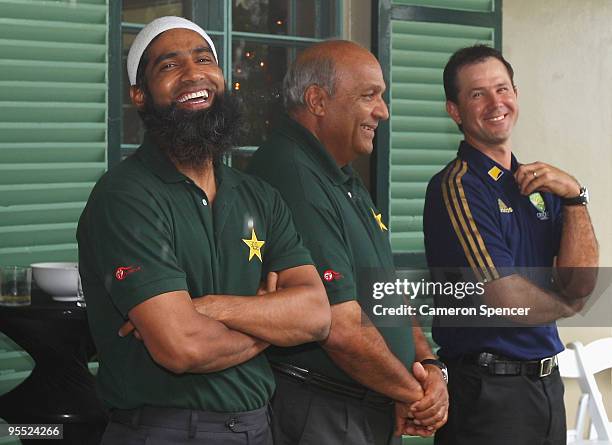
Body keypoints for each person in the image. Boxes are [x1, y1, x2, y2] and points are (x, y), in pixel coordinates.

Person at [77, 16, 331, 445]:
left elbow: (316, 316)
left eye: (204, 59)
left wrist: (211, 307)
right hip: (165, 432)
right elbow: (182, 348)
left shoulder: (259, 196)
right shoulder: (125, 196)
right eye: (169, 66)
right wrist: (268, 318)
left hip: (257, 428)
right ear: (139, 96)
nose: (194, 74)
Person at [247, 40, 448, 445]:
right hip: (322, 412)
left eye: (383, 97)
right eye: (369, 96)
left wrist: (426, 365)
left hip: (368, 403)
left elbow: (386, 290)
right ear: (317, 101)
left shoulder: (341, 172)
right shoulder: (293, 174)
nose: (383, 111)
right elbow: (337, 326)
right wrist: (416, 394)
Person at [423, 45, 598, 445]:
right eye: (477, 94)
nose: (494, 103)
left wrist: (574, 197)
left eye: (502, 89)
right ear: (455, 111)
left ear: (516, 94)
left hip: (545, 385)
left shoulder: (540, 183)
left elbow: (581, 282)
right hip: (490, 394)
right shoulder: (459, 186)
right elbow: (503, 296)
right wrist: (568, 307)